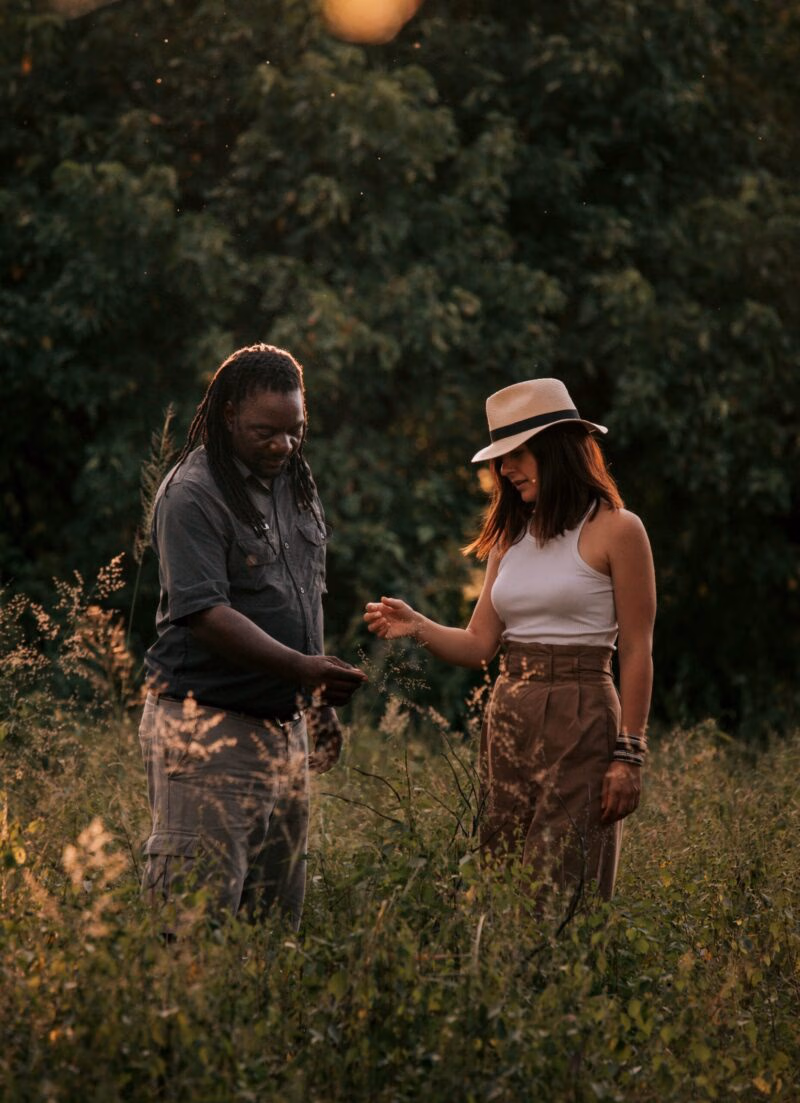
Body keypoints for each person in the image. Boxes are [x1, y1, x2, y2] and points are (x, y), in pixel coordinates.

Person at [364, 379, 656, 904]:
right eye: (500, 458)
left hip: (582, 708)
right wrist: (417, 626)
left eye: (516, 455)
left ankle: (567, 982)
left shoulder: (619, 530)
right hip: (510, 709)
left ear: (556, 449)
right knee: (501, 880)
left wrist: (629, 755)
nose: (503, 470)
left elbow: (637, 650)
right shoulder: (509, 538)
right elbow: (479, 644)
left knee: (564, 885)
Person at [139, 343, 366, 930]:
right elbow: (205, 613)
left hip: (283, 733)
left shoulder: (293, 481)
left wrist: (312, 699)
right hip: (207, 732)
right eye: (266, 431)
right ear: (228, 414)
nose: (283, 446)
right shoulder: (192, 493)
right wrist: (302, 670)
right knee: (189, 931)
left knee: (272, 932)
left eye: (295, 431)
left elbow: (303, 594)